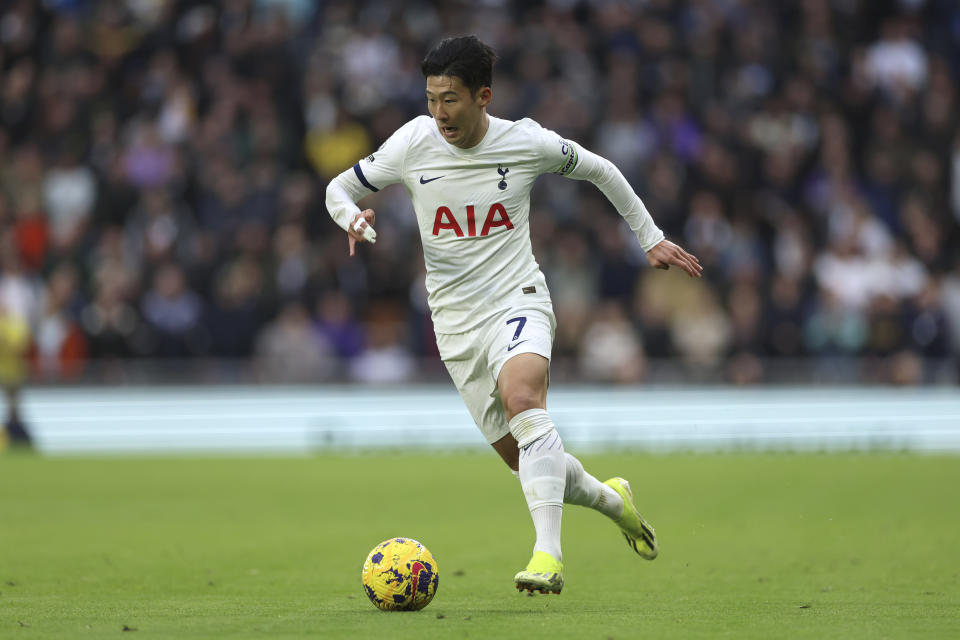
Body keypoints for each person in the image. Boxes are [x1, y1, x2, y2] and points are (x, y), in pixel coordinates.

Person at [325, 36, 702, 594]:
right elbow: (339, 187)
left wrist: (650, 239)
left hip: (516, 297)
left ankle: (547, 556)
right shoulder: (412, 142)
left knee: (524, 400)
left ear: (483, 97)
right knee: (527, 458)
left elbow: (602, 169)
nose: (439, 113)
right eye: (431, 98)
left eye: (450, 99)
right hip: (454, 323)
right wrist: (350, 218)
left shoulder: (525, 141)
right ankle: (611, 499)